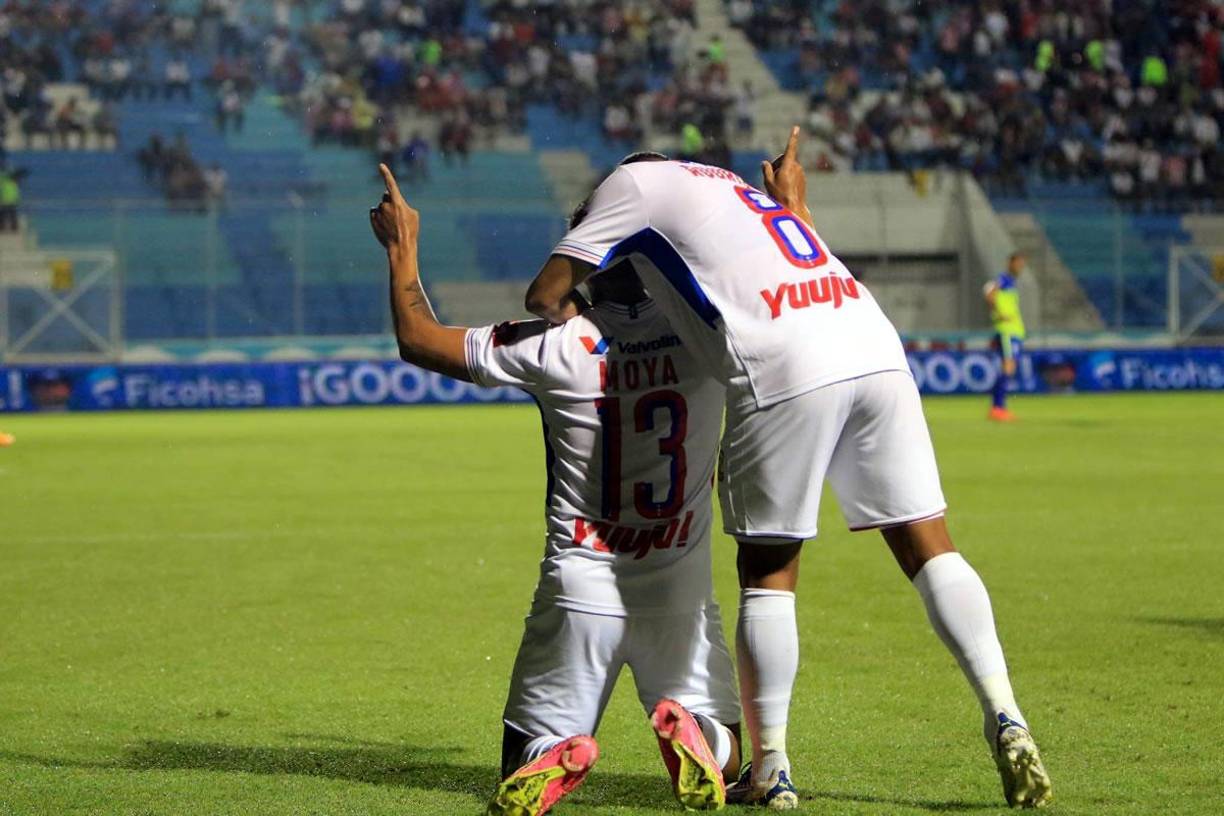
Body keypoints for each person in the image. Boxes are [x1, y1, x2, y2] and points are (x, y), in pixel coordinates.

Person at [523, 128, 1053, 809]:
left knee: (768, 570)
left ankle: (770, 766)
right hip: (870, 337)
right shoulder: (739, 193)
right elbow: (791, 254)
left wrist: (582, 341)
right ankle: (1006, 714)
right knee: (927, 544)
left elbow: (546, 295)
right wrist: (792, 200)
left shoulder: (632, 187)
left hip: (784, 360)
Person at [368, 164, 743, 815]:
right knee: (732, 755)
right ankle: (697, 735)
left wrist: (404, 247)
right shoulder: (713, 339)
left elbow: (419, 340)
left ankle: (552, 752)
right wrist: (794, 209)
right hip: (678, 584)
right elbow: (784, 309)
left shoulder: (555, 346)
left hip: (580, 582)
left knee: (525, 752)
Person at [984, 253, 1027, 422]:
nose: (1020, 267)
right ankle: (998, 407)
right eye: (1018, 263)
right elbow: (990, 294)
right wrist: (999, 313)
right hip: (1007, 331)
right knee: (1008, 367)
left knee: (1009, 367)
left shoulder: (1011, 283)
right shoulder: (1004, 279)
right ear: (1011, 263)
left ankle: (997, 406)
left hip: (1013, 331)